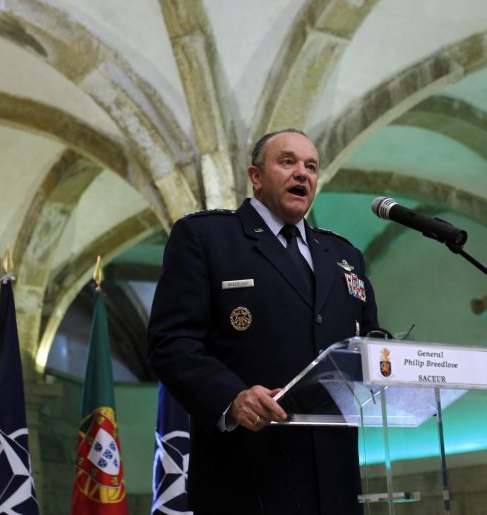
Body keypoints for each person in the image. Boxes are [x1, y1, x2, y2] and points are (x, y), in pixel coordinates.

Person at [147, 129, 379, 515]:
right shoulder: (207, 237)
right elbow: (171, 342)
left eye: (311, 167)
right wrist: (231, 397)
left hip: (336, 478)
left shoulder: (342, 254)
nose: (302, 174)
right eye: (287, 162)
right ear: (255, 176)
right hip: (248, 472)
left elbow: (368, 337)